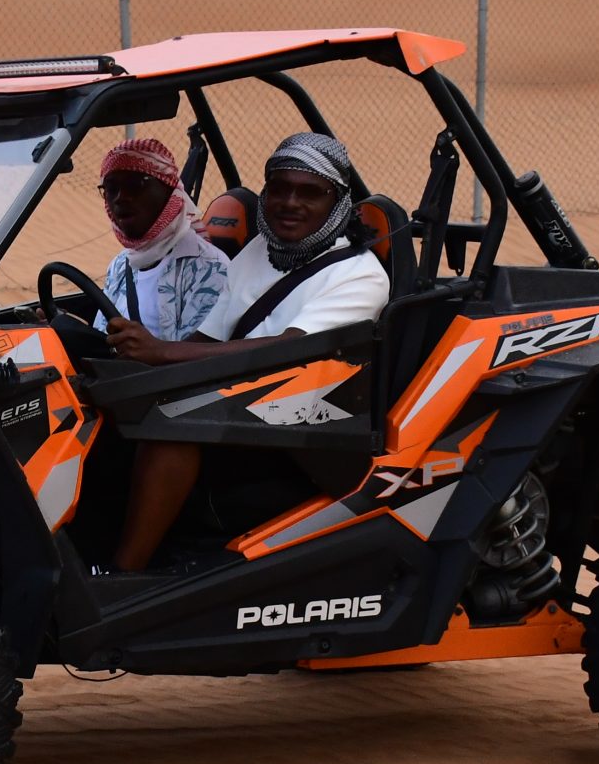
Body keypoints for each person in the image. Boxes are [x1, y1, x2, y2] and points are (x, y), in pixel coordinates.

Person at [103, 131, 391, 571]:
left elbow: (289, 351)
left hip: (302, 435)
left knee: (170, 431)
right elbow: (210, 338)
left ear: (338, 202)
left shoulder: (360, 276)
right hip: (244, 410)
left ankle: (121, 579)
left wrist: (162, 353)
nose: (290, 203)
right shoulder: (262, 249)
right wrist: (140, 365)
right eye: (279, 188)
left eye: (309, 192)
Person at [96, 137, 227, 341]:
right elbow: (101, 337)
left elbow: (195, 362)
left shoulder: (208, 268)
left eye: (135, 185)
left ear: (169, 190)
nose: (120, 198)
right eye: (111, 189)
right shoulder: (120, 266)